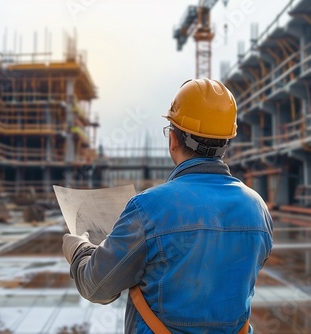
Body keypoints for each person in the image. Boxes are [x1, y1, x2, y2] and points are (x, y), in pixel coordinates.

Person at [62, 78, 273, 334]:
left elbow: (98, 287)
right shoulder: (257, 208)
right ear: (226, 142)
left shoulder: (148, 207)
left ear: (173, 139)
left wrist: (79, 251)